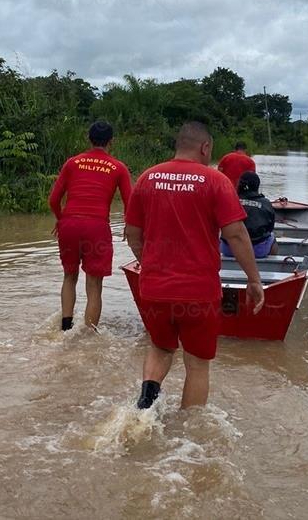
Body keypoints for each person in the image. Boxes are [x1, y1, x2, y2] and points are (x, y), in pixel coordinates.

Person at [125, 122, 265, 409]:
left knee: (160, 347)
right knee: (197, 364)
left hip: (154, 289)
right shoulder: (216, 182)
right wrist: (253, 279)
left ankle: (145, 403)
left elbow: (133, 234)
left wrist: (149, 264)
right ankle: (187, 439)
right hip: (198, 293)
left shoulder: (147, 178)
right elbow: (236, 234)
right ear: (205, 147)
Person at [49, 120, 132, 331]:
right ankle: (88, 337)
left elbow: (53, 200)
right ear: (111, 141)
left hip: (69, 225)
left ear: (89, 138)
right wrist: (129, 226)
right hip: (96, 228)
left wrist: (61, 220)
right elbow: (129, 203)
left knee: (69, 276)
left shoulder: (72, 163)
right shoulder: (118, 167)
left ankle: (65, 328)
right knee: (94, 285)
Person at [220, 171, 278, 259]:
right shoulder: (266, 203)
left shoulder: (229, 199)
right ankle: (270, 265)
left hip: (230, 249)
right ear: (257, 186)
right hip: (257, 251)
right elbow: (270, 228)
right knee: (272, 237)